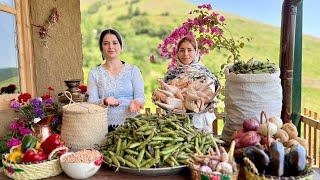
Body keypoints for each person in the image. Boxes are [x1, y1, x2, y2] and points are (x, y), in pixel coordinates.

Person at [87, 29, 145, 132]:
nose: (111, 47)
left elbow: (140, 97)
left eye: (115, 43)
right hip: (104, 128)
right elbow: (91, 103)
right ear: (101, 48)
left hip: (132, 125)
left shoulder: (133, 70)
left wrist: (136, 102)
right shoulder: (94, 73)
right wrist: (104, 101)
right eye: (106, 43)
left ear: (121, 46)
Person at [164, 35, 220, 132]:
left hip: (200, 123)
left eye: (189, 50)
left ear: (196, 52)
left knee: (201, 146)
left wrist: (196, 102)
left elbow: (209, 97)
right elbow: (166, 98)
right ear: (177, 53)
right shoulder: (171, 75)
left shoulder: (205, 73)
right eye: (182, 50)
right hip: (176, 123)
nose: (185, 54)